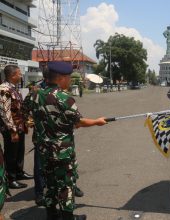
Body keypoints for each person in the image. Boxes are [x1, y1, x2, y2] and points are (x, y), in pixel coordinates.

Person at [24, 61, 107, 220]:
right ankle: (68, 217)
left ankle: (52, 215)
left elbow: (24, 111)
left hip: (43, 149)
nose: (70, 80)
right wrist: (98, 121)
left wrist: (39, 121)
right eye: (69, 77)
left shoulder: (33, 93)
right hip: (62, 151)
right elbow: (79, 122)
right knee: (66, 184)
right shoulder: (64, 98)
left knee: (49, 183)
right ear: (61, 78)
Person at [0, 65, 33, 189]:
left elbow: (17, 107)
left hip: (19, 125)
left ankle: (19, 172)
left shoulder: (13, 88)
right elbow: (5, 112)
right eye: (19, 74)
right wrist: (12, 130)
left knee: (19, 150)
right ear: (13, 75)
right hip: (11, 127)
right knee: (11, 153)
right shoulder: (4, 89)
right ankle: (11, 178)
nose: (21, 76)